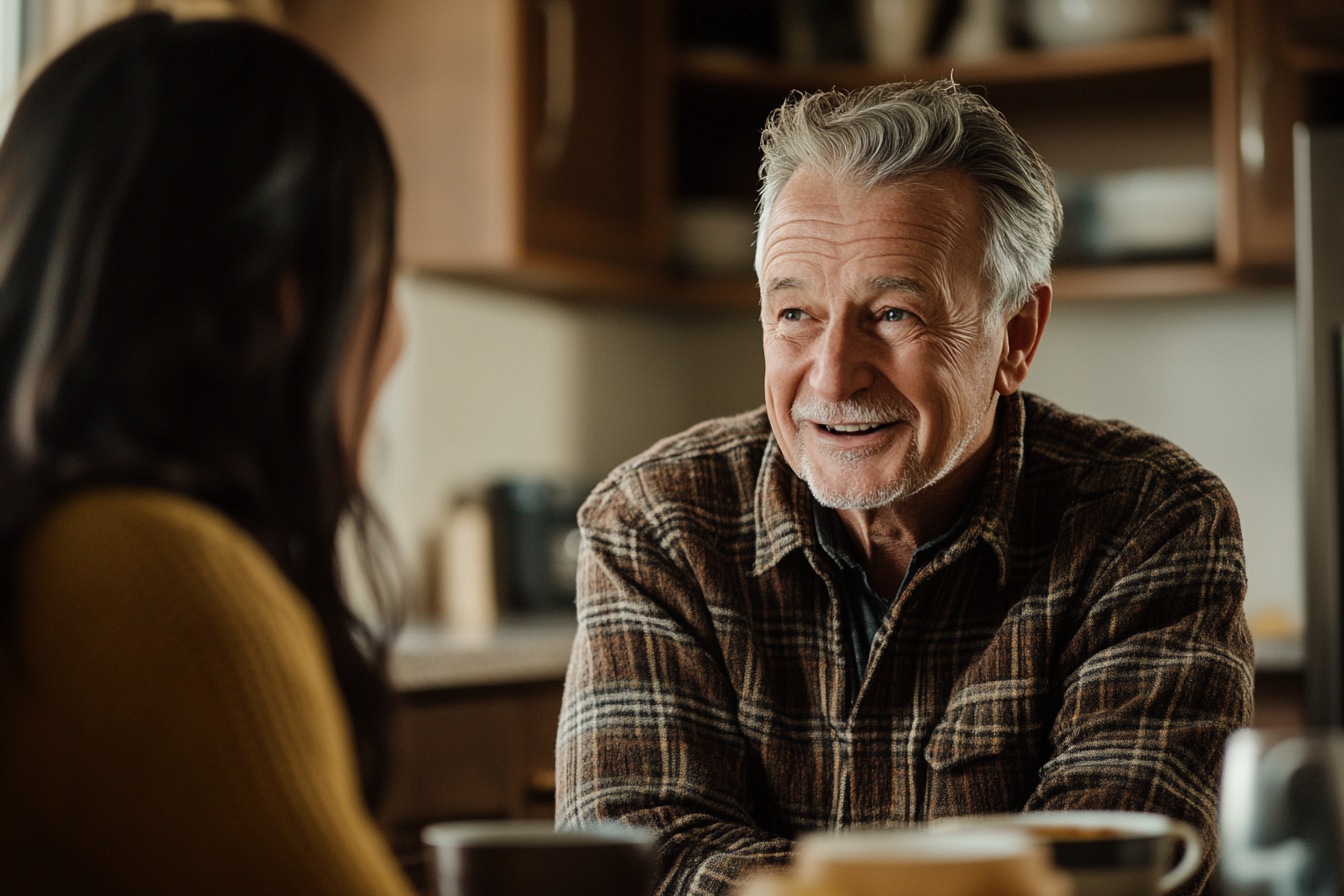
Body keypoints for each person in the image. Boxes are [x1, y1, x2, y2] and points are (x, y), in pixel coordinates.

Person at [556, 80, 1253, 896]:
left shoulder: (1153, 521)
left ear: (1016, 337)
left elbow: (1115, 876)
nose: (833, 376)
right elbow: (637, 862)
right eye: (794, 315)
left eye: (891, 314)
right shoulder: (655, 524)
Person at [0, 13, 418, 895]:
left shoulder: (54, 543)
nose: (399, 336)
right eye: (384, 275)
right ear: (287, 307)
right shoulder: (160, 580)